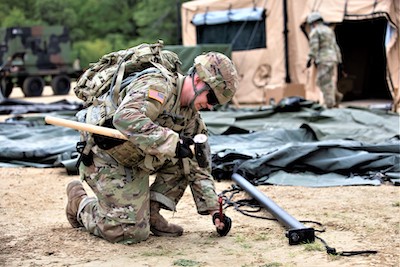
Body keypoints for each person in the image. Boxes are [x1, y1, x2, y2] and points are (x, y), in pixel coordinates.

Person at [66, 51, 239, 244]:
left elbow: (198, 164)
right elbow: (125, 118)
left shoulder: (190, 117)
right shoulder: (158, 85)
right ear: (198, 80)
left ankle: (151, 212)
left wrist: (214, 210)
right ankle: (79, 203)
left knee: (187, 154)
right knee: (127, 232)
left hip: (137, 156)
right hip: (107, 155)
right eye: (212, 99)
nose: (210, 107)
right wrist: (172, 142)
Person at [306, 12, 343, 108]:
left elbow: (314, 47)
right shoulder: (329, 30)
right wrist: (339, 59)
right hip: (332, 58)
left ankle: (330, 104)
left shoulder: (315, 32)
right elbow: (335, 46)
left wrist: (310, 59)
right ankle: (336, 96)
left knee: (322, 81)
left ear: (313, 23)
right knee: (328, 80)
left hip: (324, 59)